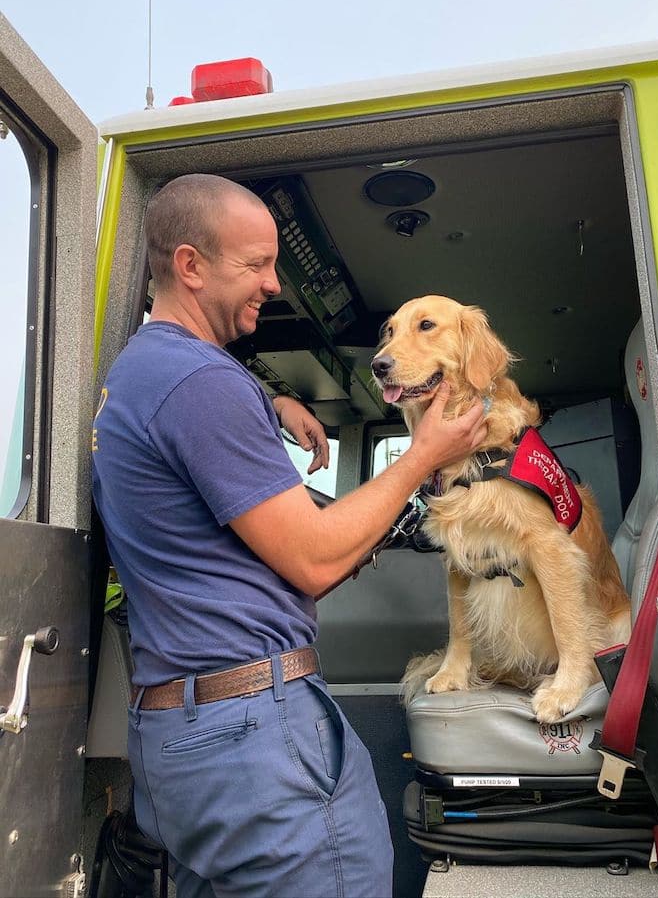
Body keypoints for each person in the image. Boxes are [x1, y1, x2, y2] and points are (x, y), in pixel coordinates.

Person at [92, 173, 487, 898]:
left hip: (183, 737)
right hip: (251, 739)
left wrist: (266, 398)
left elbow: (269, 547)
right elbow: (310, 555)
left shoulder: (147, 375)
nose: (274, 284)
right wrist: (425, 455)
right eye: (257, 264)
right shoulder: (195, 383)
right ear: (189, 265)